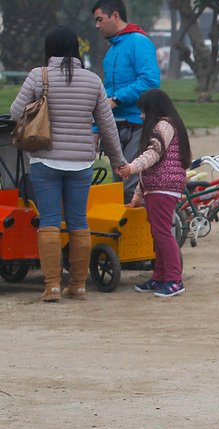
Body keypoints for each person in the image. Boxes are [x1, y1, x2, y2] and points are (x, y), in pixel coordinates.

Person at [10, 25, 126, 302]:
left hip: (45, 159)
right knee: (78, 222)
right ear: (75, 49)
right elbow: (107, 127)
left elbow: (16, 112)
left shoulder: (38, 76)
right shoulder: (92, 81)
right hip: (81, 163)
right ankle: (78, 285)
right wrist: (119, 161)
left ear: (49, 49)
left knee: (49, 221)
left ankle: (51, 285)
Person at [115, 89, 190, 298]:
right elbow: (149, 171)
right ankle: (160, 276)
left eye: (143, 112)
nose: (141, 116)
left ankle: (174, 279)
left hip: (163, 187)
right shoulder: (169, 125)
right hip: (157, 187)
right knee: (158, 233)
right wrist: (137, 197)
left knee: (163, 233)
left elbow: (152, 155)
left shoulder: (163, 126)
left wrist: (130, 168)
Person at [92, 0, 160, 204]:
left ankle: (152, 233)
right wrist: (96, 129)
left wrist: (118, 98)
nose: (97, 25)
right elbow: (106, 93)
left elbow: (149, 81)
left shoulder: (139, 42)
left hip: (137, 124)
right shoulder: (112, 50)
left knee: (131, 184)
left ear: (114, 16)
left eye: (99, 19)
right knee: (119, 183)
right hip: (114, 126)